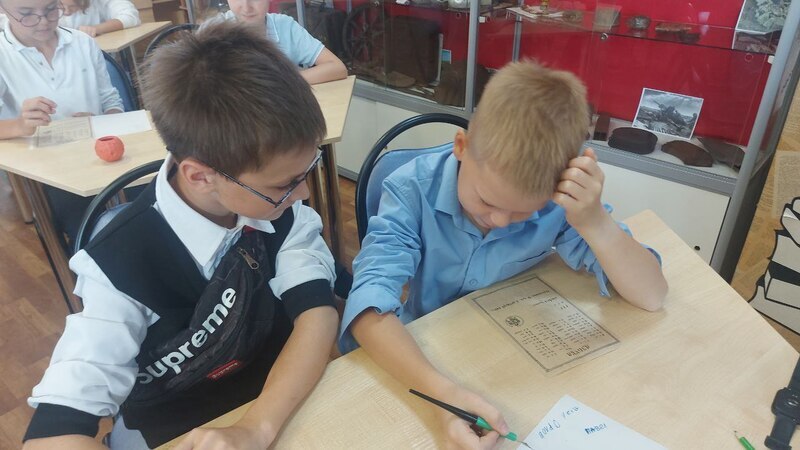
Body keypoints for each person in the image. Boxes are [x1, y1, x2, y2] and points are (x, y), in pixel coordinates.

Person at [23, 21, 339, 450]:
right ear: (200, 176)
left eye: (306, 172)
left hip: (283, 396)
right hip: (175, 427)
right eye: (284, 184)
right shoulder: (118, 266)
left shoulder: (279, 210)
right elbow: (55, 431)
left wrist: (257, 426)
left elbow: (317, 313)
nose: (303, 194)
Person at [339, 61, 668, 449]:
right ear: (461, 147)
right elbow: (367, 310)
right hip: (427, 354)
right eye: (487, 201)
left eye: (522, 212)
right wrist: (444, 396)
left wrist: (595, 221)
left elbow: (652, 295)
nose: (499, 221)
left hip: (509, 350)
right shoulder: (410, 190)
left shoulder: (558, 206)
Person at [0, 0, 124, 244]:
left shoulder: (82, 42)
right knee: (89, 231)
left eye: (50, 9)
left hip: (100, 157)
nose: (43, 21)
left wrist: (101, 119)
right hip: (49, 172)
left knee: (144, 209)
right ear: (3, 10)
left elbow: (111, 99)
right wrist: (20, 125)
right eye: (27, 14)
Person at [208, 0, 346, 84]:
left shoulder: (285, 26)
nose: (246, 7)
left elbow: (337, 67)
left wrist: (281, 81)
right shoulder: (213, 32)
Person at [59, 0, 140, 37]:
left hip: (101, 54)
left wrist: (95, 29)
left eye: (73, 6)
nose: (66, 12)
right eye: (60, 4)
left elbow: (130, 16)